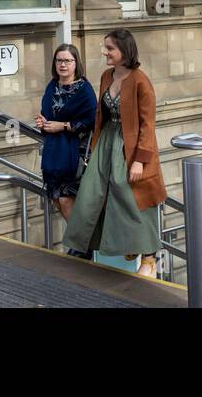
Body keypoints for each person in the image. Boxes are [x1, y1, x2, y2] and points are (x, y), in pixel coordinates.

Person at [61, 28, 167, 277]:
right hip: (106, 141)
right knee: (92, 193)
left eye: (110, 48)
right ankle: (89, 246)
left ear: (124, 51)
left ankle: (149, 256)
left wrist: (140, 161)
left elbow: (147, 125)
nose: (104, 52)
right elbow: (102, 115)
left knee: (130, 195)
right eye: (105, 47)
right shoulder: (107, 76)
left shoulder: (141, 81)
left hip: (130, 145)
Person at [34, 44, 96, 237]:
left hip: (75, 153)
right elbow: (47, 113)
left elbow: (92, 121)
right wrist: (42, 121)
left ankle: (82, 243)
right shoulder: (52, 85)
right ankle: (80, 241)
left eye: (68, 60)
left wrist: (63, 126)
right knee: (55, 197)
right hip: (54, 152)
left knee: (66, 199)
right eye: (59, 60)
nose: (63, 64)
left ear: (76, 63)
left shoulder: (84, 90)